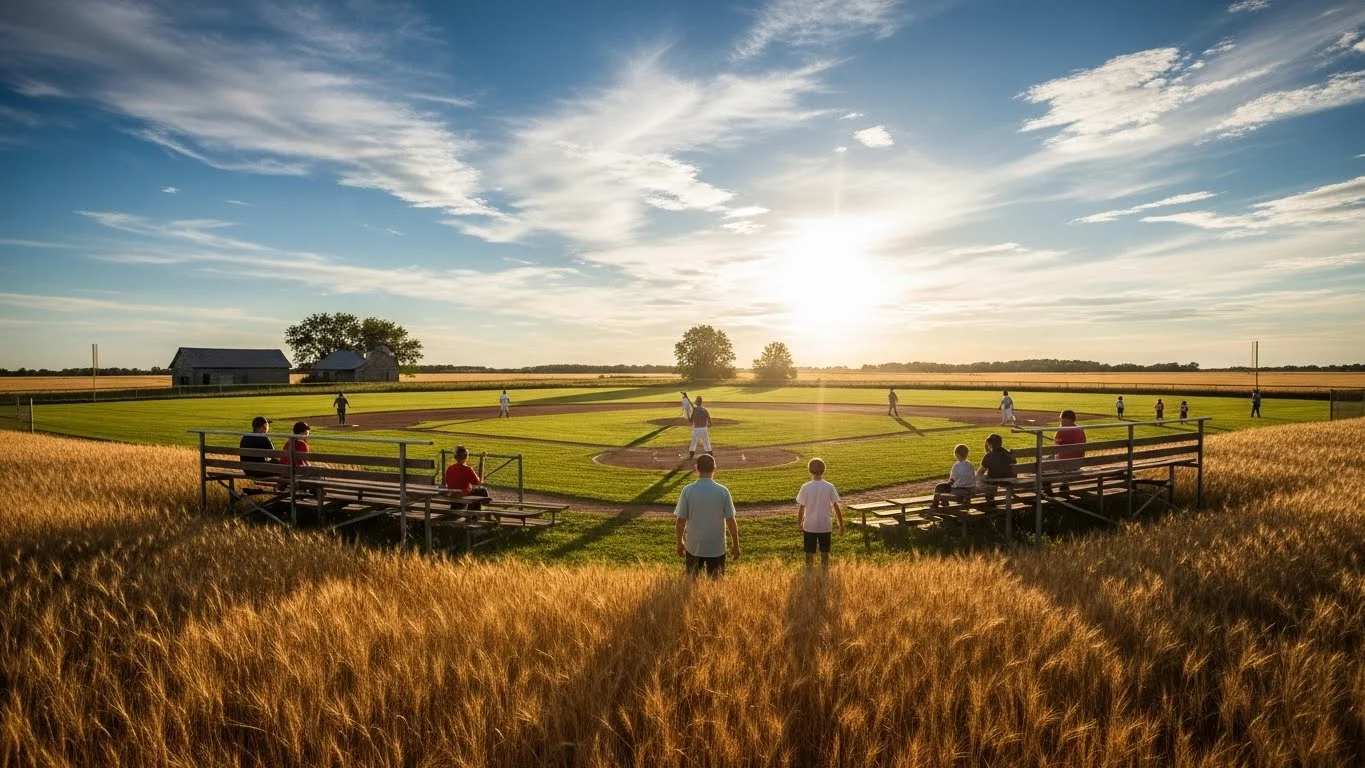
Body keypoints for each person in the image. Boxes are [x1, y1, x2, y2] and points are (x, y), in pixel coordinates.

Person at [674, 453, 740, 578]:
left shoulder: (687, 490)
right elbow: (731, 521)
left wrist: (679, 542)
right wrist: (736, 545)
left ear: (696, 469)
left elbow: (680, 521)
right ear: (714, 469)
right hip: (716, 547)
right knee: (716, 584)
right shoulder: (723, 491)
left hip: (694, 546)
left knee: (691, 583)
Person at [796, 458, 843, 570]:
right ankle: (824, 573)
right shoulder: (829, 487)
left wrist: (799, 523)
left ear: (809, 471)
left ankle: (809, 574)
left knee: (809, 553)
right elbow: (836, 507)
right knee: (825, 553)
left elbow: (801, 507)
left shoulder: (805, 487)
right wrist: (841, 524)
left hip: (809, 526)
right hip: (825, 526)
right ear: (824, 470)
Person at [443, 445, 490, 511]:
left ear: (455, 457)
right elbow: (477, 483)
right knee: (482, 490)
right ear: (466, 457)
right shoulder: (467, 469)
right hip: (463, 497)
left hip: (453, 496)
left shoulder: (449, 468)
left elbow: (448, 482)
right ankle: (475, 512)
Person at [930, 444, 977, 511]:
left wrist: (948, 484)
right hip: (970, 488)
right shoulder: (970, 464)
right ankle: (944, 502)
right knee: (945, 487)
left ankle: (937, 504)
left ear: (956, 454)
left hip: (959, 489)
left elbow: (952, 480)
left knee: (939, 487)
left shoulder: (957, 466)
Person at [1051, 410, 1087, 493]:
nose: (1061, 421)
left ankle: (1046, 487)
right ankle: (1064, 484)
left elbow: (1054, 447)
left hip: (1065, 465)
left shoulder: (1061, 430)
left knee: (1043, 463)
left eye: (1062, 419)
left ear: (1067, 419)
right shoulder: (1080, 430)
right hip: (1077, 463)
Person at [978, 433, 1016, 503]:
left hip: (996, 480)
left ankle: (990, 498)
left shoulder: (989, 455)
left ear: (989, 444)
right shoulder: (1007, 453)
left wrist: (977, 475)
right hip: (1009, 479)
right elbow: (1014, 463)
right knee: (993, 476)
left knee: (983, 477)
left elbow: (981, 471)